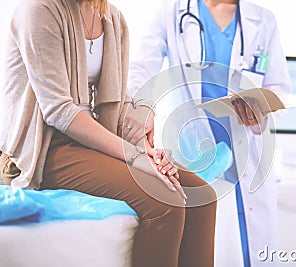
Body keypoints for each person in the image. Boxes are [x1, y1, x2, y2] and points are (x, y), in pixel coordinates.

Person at [0, 0, 217, 266]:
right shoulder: (38, 10)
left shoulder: (113, 18)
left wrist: (149, 153)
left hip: (91, 141)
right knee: (165, 200)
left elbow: (117, 99)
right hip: (43, 148)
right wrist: (134, 156)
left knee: (201, 195)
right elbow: (57, 110)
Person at [128, 0, 291, 266]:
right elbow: (139, 71)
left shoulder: (263, 20)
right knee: (205, 250)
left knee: (253, 249)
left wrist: (262, 106)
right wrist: (143, 105)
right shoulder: (171, 13)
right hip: (195, 153)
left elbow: (280, 89)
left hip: (248, 154)